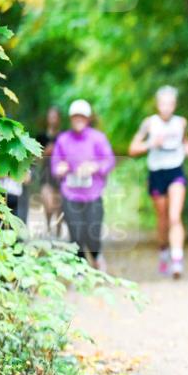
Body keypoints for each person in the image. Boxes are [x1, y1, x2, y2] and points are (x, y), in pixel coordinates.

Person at [128, 86, 188, 278]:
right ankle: (164, 251)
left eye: (170, 104)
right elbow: (133, 149)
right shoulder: (149, 124)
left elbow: (185, 141)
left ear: (175, 105)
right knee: (163, 219)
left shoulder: (181, 123)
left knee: (175, 216)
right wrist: (150, 144)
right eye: (163, 103)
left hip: (176, 171)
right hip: (156, 173)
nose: (166, 107)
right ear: (158, 105)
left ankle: (177, 259)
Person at [51, 99, 116, 271]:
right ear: (71, 119)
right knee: (76, 233)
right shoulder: (63, 140)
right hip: (70, 194)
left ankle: (96, 256)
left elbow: (109, 161)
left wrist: (95, 166)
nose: (78, 120)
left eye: (82, 116)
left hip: (93, 194)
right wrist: (60, 168)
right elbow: (54, 167)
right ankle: (79, 269)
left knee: (92, 232)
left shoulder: (97, 138)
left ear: (87, 119)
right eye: (75, 117)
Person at [38, 105, 64, 237]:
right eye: (51, 116)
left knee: (59, 208)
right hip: (45, 175)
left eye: (55, 117)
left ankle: (58, 235)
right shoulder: (41, 137)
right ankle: (49, 229)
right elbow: (34, 159)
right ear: (47, 119)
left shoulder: (64, 137)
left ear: (59, 119)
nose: (53, 119)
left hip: (61, 177)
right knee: (48, 205)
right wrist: (45, 153)